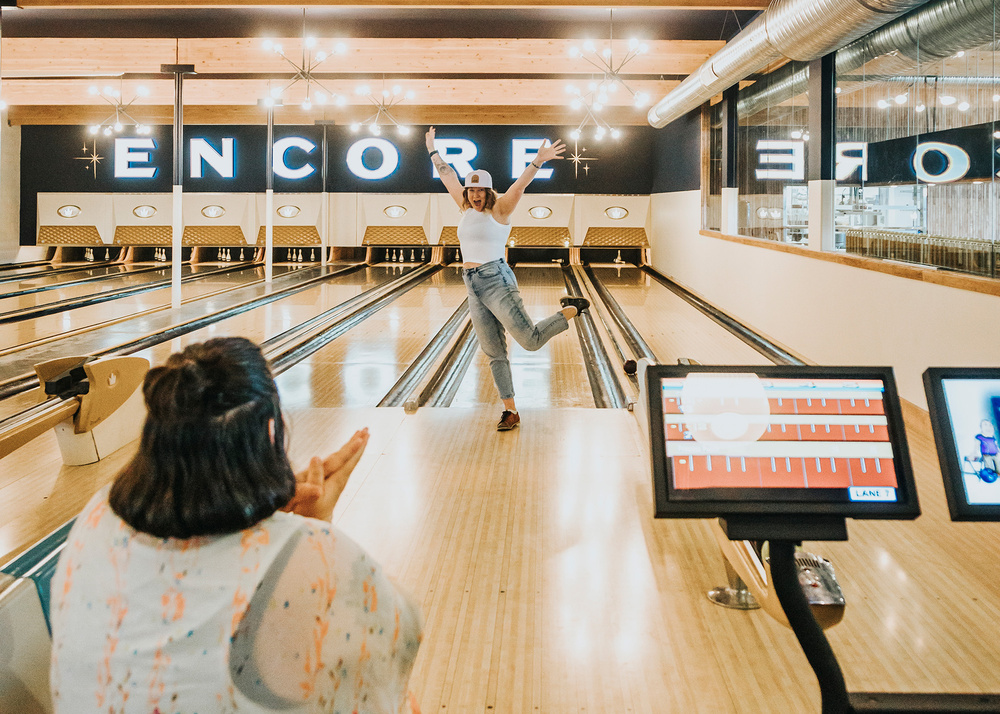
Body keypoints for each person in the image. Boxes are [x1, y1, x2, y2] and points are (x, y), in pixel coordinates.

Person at [49, 337, 422, 714]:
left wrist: (286, 529)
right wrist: (310, 533)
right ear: (272, 432)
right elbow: (400, 639)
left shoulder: (96, 515)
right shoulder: (318, 555)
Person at [425, 126, 590, 431]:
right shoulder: (464, 207)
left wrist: (538, 161)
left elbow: (520, 186)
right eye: (470, 190)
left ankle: (572, 309)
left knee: (529, 340)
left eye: (479, 191)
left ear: (488, 192)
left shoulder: (501, 209)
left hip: (496, 280)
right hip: (472, 284)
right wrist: (433, 149)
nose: (474, 195)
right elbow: (447, 176)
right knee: (494, 353)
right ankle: (510, 411)